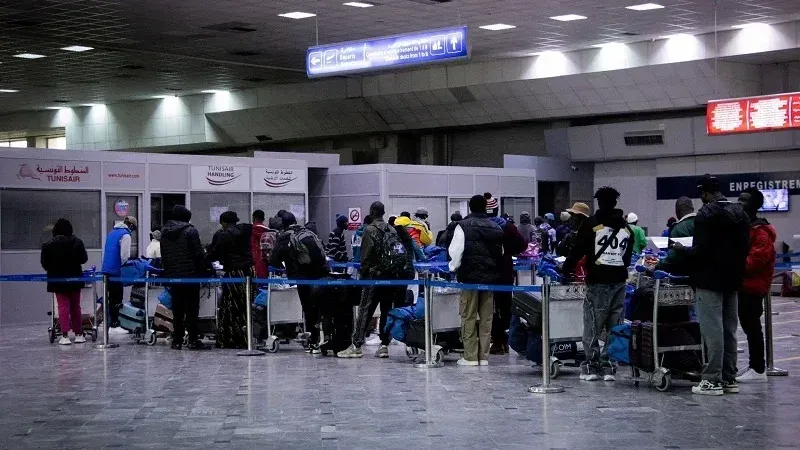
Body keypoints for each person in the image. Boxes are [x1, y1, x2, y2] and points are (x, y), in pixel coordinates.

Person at [674, 175, 750, 395]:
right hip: (733, 279)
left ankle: (712, 380)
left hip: (709, 280)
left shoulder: (705, 215)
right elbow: (746, 247)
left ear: (704, 193)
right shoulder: (740, 212)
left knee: (712, 330)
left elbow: (701, 251)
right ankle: (729, 377)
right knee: (729, 329)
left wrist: (682, 249)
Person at [563, 187, 633, 382]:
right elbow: (627, 258)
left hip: (598, 282)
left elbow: (577, 250)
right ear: (615, 203)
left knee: (593, 325)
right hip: (619, 282)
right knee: (615, 325)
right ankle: (609, 366)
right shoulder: (626, 228)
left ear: (599, 203)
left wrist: (565, 269)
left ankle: (591, 367)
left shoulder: (591, 224)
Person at [338, 201, 412, 359]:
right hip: (390, 277)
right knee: (386, 310)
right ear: (383, 213)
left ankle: (356, 345)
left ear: (372, 212)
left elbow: (365, 256)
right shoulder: (391, 229)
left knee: (365, 310)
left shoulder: (369, 230)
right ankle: (384, 345)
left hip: (373, 277)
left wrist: (364, 274)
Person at [448, 195, 504, 366]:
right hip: (489, 279)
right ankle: (484, 357)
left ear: (470, 207)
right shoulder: (496, 227)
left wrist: (453, 268)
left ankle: (470, 356)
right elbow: (500, 253)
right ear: (485, 207)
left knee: (468, 316)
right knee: (487, 319)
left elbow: (456, 251)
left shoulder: (463, 226)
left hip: (469, 278)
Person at [270, 212, 330, 354]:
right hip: (321, 274)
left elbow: (274, 260)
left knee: (308, 308)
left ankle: (313, 342)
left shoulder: (284, 236)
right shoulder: (308, 232)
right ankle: (326, 338)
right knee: (322, 307)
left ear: (283, 224)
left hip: (303, 276)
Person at [736, 188, 776, 384]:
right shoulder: (746, 226)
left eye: (744, 200)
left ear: (754, 205)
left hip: (752, 286)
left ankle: (758, 369)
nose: (739, 202)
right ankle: (755, 365)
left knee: (752, 327)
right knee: (748, 325)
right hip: (743, 285)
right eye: (739, 198)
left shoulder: (761, 232)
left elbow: (755, 262)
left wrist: (732, 263)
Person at [160, 205, 208, 350]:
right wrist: (204, 271)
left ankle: (177, 340)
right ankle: (193, 339)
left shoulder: (164, 232)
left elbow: (164, 255)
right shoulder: (190, 231)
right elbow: (198, 254)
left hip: (173, 276)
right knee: (192, 309)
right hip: (190, 276)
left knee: (177, 309)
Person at [206, 211, 254, 349]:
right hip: (248, 272)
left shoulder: (225, 235)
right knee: (245, 306)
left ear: (223, 222)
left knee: (230, 306)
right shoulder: (246, 232)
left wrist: (205, 258)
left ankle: (229, 339)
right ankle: (245, 338)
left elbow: (216, 253)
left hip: (234, 273)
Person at [41, 219, 89, 345]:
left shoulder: (48, 245)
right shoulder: (77, 242)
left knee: (63, 307)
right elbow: (84, 259)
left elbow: (45, 264)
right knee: (76, 307)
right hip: (75, 280)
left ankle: (65, 336)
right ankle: (79, 334)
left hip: (58, 281)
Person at [490, 216, 526, 354]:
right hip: (505, 270)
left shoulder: (483, 225)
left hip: (487, 270)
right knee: (505, 306)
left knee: (490, 307)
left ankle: (496, 340)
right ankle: (506, 339)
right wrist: (509, 251)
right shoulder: (508, 227)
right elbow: (522, 244)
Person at [101, 215, 137, 332]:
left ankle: (110, 322)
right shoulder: (126, 235)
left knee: (110, 297)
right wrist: (127, 264)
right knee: (117, 297)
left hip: (106, 270)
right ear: (131, 226)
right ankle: (115, 324)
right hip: (115, 271)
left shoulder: (112, 232)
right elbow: (124, 256)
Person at [656, 197, 696, 275]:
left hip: (684, 275)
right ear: (693, 209)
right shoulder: (705, 223)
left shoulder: (677, 229)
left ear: (677, 211)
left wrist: (657, 266)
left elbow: (673, 258)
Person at [250, 210, 274, 279]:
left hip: (251, 260)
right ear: (263, 219)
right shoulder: (269, 232)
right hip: (265, 261)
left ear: (253, 218)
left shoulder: (249, 230)